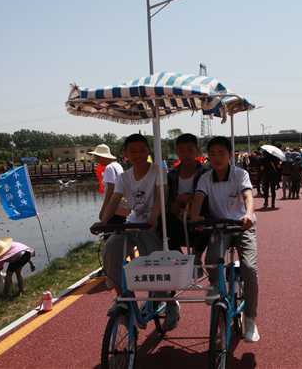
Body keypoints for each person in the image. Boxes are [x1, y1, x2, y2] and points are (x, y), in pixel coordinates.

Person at [91, 134, 179, 331]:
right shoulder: (124, 177)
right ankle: (122, 296)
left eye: (141, 150)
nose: (137, 155)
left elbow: (162, 194)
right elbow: (115, 199)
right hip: (132, 223)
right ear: (126, 154)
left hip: (152, 226)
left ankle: (171, 304)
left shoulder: (158, 170)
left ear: (148, 151)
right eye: (132, 151)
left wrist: (154, 216)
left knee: (152, 268)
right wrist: (103, 222)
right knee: (110, 248)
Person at [190, 136, 260, 343]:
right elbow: (198, 200)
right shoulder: (205, 178)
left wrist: (248, 214)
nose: (217, 158)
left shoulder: (240, 174)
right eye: (212, 154)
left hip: (243, 226)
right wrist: (195, 216)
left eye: (221, 153)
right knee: (211, 261)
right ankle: (214, 282)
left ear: (230, 155)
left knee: (249, 268)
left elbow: (248, 196)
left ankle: (250, 319)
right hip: (220, 229)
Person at [165, 133, 212, 274]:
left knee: (207, 221)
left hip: (199, 216)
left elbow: (212, 197)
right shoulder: (171, 174)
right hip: (179, 218)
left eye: (190, 150)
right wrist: (172, 207)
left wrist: (192, 197)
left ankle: (197, 257)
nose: (186, 154)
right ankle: (181, 259)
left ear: (197, 150)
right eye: (182, 150)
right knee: (163, 222)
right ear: (177, 152)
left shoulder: (206, 172)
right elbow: (168, 199)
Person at [88, 144, 128, 225]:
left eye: (97, 158)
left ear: (101, 156)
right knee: (119, 228)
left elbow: (111, 189)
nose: (97, 161)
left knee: (108, 229)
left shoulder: (109, 168)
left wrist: (104, 209)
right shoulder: (117, 165)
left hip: (113, 207)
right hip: (122, 206)